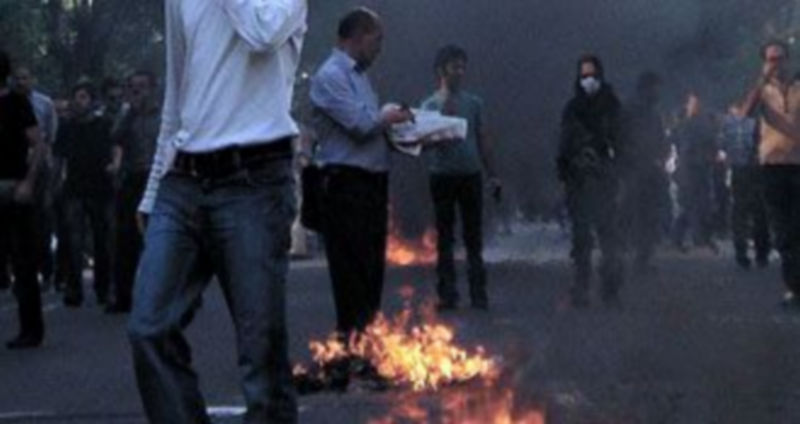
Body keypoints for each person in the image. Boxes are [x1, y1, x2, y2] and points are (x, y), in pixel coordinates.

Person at [126, 1, 308, 422]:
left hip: (256, 180)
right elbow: (177, 93)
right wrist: (154, 189)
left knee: (260, 354)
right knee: (148, 327)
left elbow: (261, 32)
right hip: (183, 179)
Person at [310, 8, 414, 336]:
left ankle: (368, 346)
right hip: (346, 185)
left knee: (370, 270)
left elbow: (372, 126)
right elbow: (360, 124)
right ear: (358, 35)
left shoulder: (359, 77)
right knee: (351, 272)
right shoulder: (331, 76)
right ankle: (351, 346)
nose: (380, 48)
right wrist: (388, 117)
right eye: (377, 39)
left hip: (370, 184)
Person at [420, 45, 500, 310]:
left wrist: (493, 175)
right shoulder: (429, 106)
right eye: (455, 67)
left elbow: (483, 139)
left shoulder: (474, 103)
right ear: (442, 70)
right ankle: (447, 293)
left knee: (473, 237)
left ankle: (479, 293)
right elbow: (423, 143)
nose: (460, 72)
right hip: (442, 176)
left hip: (470, 175)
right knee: (444, 238)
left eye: (463, 67)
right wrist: (441, 126)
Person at [556, 54, 625, 307]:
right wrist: (565, 172)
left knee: (608, 237)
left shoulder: (612, 106)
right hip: (578, 181)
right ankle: (581, 288)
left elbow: (622, 142)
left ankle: (611, 290)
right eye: (584, 76)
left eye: (593, 75)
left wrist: (616, 169)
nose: (589, 80)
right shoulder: (572, 108)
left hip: (605, 179)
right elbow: (563, 146)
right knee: (581, 239)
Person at [741, 41, 800, 308]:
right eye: (771, 59)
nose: (777, 64)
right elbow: (745, 113)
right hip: (772, 167)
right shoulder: (762, 91)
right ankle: (793, 287)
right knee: (784, 232)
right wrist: (762, 79)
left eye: (780, 59)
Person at [0, 50, 46, 349]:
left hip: (11, 187)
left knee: (23, 261)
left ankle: (31, 329)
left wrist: (29, 182)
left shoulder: (16, 102)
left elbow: (38, 143)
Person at [54, 82, 114, 307]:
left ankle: (103, 287)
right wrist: (55, 185)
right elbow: (59, 157)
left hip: (101, 188)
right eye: (76, 97)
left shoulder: (104, 125)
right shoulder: (66, 127)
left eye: (83, 97)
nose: (79, 102)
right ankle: (74, 288)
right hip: (74, 189)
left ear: (92, 100)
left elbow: (114, 150)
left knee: (101, 240)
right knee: (73, 240)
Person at [106, 71, 160, 314]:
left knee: (162, 237)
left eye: (142, 86)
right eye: (133, 87)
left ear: (152, 88)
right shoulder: (127, 114)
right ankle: (123, 295)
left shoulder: (163, 115)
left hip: (158, 179)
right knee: (125, 238)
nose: (137, 91)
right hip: (132, 179)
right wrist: (130, 112)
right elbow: (115, 136)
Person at [13, 66, 59, 288]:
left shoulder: (45, 103)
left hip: (41, 166)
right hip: (14, 166)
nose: (21, 82)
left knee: (43, 220)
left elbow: (51, 135)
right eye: (17, 78)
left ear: (32, 79)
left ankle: (47, 272)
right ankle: (18, 273)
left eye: (25, 77)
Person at [620, 71, 670, 271]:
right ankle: (620, 254)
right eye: (655, 87)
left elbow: (658, 136)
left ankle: (642, 258)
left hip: (648, 167)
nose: (658, 92)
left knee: (647, 214)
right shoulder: (632, 109)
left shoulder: (651, 111)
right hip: (633, 167)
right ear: (646, 88)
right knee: (630, 213)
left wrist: (661, 152)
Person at [718, 102, 771, 269]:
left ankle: (741, 250)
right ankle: (761, 253)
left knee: (740, 212)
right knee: (760, 214)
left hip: (739, 171)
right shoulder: (761, 124)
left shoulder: (731, 125)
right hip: (758, 172)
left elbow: (723, 147)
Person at [672, 92, 719, 252]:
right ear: (687, 106)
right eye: (693, 104)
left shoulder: (703, 125)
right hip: (688, 169)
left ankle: (702, 237)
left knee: (703, 205)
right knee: (688, 205)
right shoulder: (683, 125)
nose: (696, 107)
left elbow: (712, 145)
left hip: (702, 168)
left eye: (698, 104)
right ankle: (680, 238)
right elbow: (680, 147)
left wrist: (711, 157)